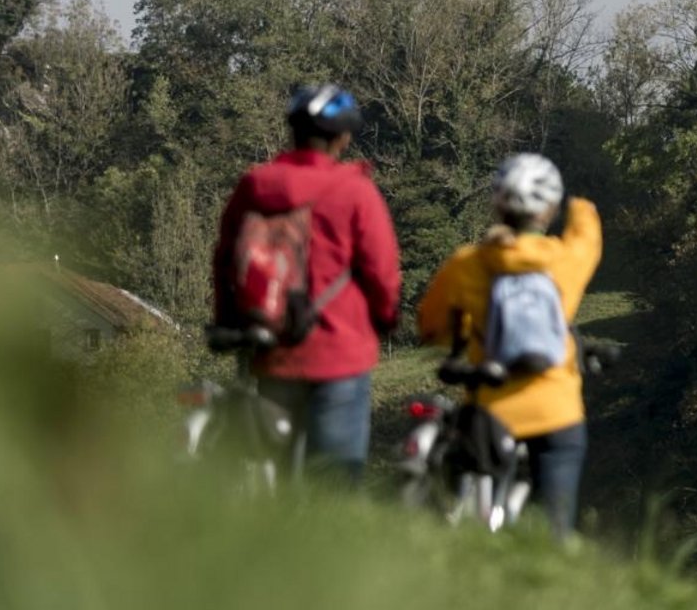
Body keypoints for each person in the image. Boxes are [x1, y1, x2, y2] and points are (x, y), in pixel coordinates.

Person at [211, 83, 402, 484]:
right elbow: (381, 269)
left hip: (272, 348)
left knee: (272, 474)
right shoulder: (355, 191)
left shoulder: (255, 185)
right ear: (343, 137)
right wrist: (386, 317)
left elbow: (227, 258)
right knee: (333, 486)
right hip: (339, 351)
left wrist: (232, 321)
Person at [416, 153, 601, 538]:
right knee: (556, 525)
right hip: (557, 409)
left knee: (472, 519)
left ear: (496, 203)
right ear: (549, 206)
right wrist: (579, 202)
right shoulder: (566, 259)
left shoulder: (468, 264)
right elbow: (588, 232)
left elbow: (431, 326)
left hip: (491, 407)